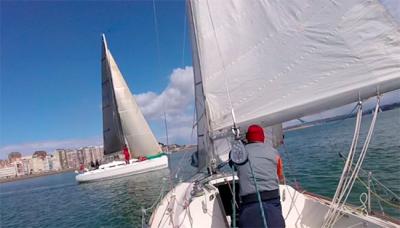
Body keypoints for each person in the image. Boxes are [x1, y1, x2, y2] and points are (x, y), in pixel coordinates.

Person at [234, 124, 285, 228]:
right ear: (263, 137)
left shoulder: (240, 154)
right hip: (273, 199)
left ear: (248, 138)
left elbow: (235, 165)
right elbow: (280, 176)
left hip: (249, 201)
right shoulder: (274, 152)